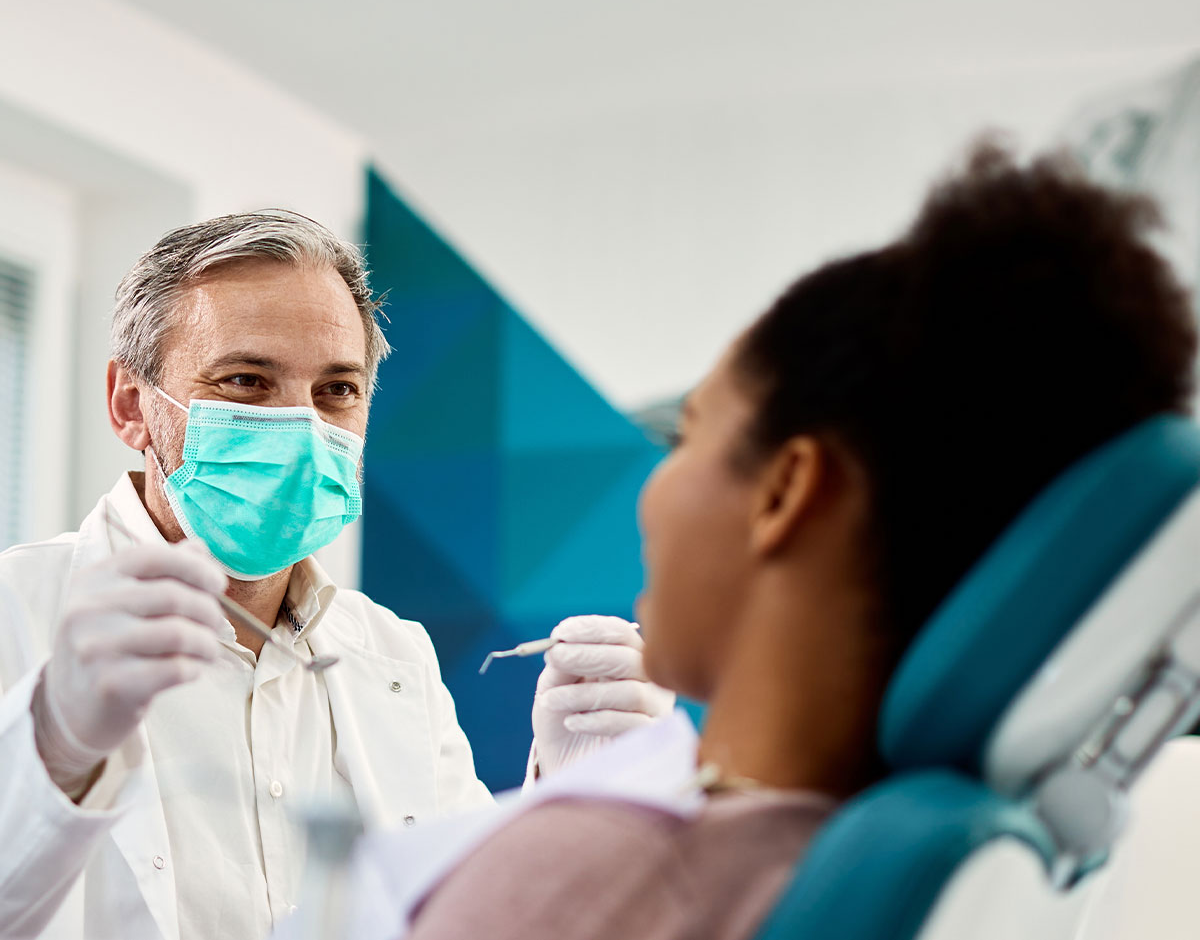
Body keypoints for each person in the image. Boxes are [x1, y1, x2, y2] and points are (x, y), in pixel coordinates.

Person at [372, 143, 1196, 940]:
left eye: (686, 436)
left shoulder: (598, 876)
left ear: (787, 490)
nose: (651, 493)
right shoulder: (896, 863)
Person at [0, 212, 672, 940]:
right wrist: (54, 746)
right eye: (247, 381)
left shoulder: (393, 652)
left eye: (337, 390)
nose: (299, 424)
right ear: (131, 405)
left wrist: (566, 804)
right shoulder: (18, 610)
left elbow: (461, 916)